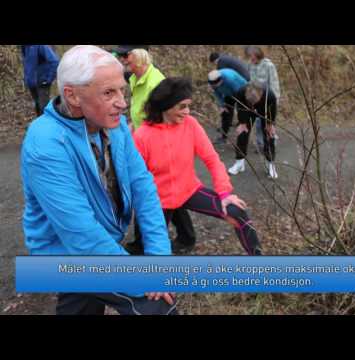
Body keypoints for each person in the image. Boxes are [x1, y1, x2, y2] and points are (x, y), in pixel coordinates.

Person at [21, 45, 176, 315]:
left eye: (121, 90)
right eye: (108, 93)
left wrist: (159, 258)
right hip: (64, 254)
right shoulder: (45, 144)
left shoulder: (113, 124)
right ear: (72, 95)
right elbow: (81, 235)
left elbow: (143, 187)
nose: (123, 103)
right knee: (157, 308)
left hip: (100, 241)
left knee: (81, 305)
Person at [134, 77, 262, 256]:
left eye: (188, 106)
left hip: (188, 191)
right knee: (149, 250)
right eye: (182, 106)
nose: (187, 111)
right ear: (166, 106)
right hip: (157, 201)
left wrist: (225, 193)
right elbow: (136, 180)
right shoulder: (142, 136)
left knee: (237, 212)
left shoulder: (190, 125)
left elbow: (211, 159)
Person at [114, 46, 197, 254]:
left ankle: (143, 243)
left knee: (150, 193)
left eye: (128, 58)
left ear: (141, 60)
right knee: (168, 193)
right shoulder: (135, 78)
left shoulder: (155, 82)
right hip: (143, 139)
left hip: (158, 143)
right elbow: (138, 111)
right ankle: (187, 236)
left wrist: (142, 137)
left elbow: (163, 117)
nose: (124, 61)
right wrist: (133, 127)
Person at [228, 81, 278, 179]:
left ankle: (270, 164)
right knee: (242, 132)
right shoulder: (241, 92)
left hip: (265, 111)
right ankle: (239, 163)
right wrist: (242, 122)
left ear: (261, 95)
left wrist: (270, 123)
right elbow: (240, 108)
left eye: (254, 102)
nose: (253, 104)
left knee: (269, 135)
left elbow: (273, 110)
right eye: (250, 101)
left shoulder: (270, 95)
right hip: (247, 111)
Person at [244, 46, 281, 151]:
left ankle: (270, 142)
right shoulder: (250, 65)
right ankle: (261, 144)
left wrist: (275, 101)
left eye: (252, 55)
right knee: (258, 123)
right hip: (255, 99)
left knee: (266, 123)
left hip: (268, 99)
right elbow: (249, 82)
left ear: (257, 54)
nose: (250, 58)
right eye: (249, 56)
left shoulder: (269, 66)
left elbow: (274, 83)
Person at [208, 69, 248, 144]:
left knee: (242, 113)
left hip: (241, 91)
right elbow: (217, 94)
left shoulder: (230, 79)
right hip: (228, 94)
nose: (215, 87)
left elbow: (239, 94)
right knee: (225, 113)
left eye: (217, 85)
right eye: (214, 86)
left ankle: (242, 138)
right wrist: (222, 105)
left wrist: (241, 108)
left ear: (220, 80)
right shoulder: (212, 81)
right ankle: (223, 137)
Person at [20, 45, 60, 117]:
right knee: (38, 106)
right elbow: (27, 64)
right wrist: (27, 79)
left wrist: (48, 79)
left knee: (44, 108)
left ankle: (49, 125)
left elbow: (54, 61)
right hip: (32, 82)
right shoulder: (24, 47)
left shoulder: (41, 46)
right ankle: (40, 125)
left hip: (42, 82)